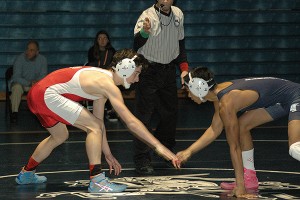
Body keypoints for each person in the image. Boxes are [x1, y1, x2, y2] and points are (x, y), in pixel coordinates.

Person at [15, 49, 180, 193]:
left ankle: (26, 174)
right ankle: (97, 181)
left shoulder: (101, 81)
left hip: (39, 94)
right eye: (136, 73)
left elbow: (100, 123)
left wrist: (107, 154)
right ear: (125, 68)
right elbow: (131, 122)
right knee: (92, 126)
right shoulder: (107, 84)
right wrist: (158, 146)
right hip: (46, 95)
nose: (137, 79)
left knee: (61, 135)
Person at [176, 66, 300, 198]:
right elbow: (214, 129)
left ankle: (244, 183)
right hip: (282, 100)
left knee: (294, 147)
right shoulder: (218, 96)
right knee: (242, 126)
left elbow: (234, 146)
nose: (188, 95)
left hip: (296, 95)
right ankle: (249, 179)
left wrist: (240, 188)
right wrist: (189, 151)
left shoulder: (227, 102)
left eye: (188, 90)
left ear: (198, 87)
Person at [133, 0, 189, 175]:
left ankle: (163, 149)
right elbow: (136, 43)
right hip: (148, 70)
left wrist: (184, 69)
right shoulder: (147, 15)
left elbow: (180, 45)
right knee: (145, 116)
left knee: (171, 113)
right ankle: (142, 158)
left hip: (168, 70)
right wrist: (144, 32)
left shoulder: (178, 14)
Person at [10, 40, 48, 123]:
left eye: (31, 50)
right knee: (16, 87)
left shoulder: (42, 60)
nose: (28, 52)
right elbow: (16, 77)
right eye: (27, 49)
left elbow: (43, 75)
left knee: (43, 89)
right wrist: (29, 83)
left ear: (37, 52)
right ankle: (14, 113)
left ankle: (41, 114)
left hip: (35, 84)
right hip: (22, 84)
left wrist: (36, 82)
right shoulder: (19, 59)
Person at [87, 30, 118, 122]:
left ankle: (111, 109)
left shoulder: (112, 51)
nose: (102, 40)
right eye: (100, 38)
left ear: (108, 40)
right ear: (97, 40)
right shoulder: (92, 50)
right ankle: (101, 108)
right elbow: (91, 64)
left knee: (110, 84)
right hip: (96, 75)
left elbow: (113, 65)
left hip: (108, 75)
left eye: (105, 38)